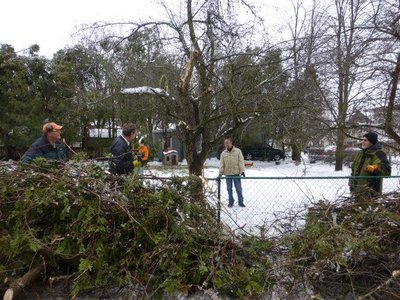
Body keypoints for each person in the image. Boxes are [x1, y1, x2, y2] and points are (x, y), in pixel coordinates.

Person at [349, 132, 391, 199]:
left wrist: (376, 167)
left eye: (365, 140)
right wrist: (351, 185)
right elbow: (353, 171)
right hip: (357, 192)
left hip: (371, 194)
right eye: (363, 140)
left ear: (372, 142)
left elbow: (387, 172)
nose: (363, 142)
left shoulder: (379, 153)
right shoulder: (360, 153)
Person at [219, 137, 246, 207]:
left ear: (231, 142)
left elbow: (241, 162)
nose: (226, 144)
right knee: (229, 189)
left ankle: (241, 202)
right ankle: (231, 201)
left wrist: (242, 171)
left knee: (239, 189)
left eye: (227, 142)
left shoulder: (238, 151)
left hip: (236, 173)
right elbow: (222, 164)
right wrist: (220, 173)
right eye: (225, 143)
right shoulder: (223, 153)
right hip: (227, 174)